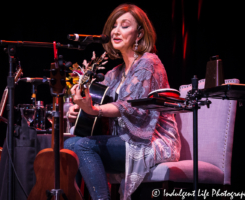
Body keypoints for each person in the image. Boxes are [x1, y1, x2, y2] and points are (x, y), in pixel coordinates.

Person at [65, 4, 181, 200]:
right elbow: (91, 99)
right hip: (126, 142)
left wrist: (94, 110)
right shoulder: (114, 73)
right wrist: (74, 107)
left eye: (125, 26)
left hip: (151, 142)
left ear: (139, 35)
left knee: (81, 145)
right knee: (70, 145)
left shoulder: (148, 62)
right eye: (114, 26)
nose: (116, 31)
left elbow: (132, 106)